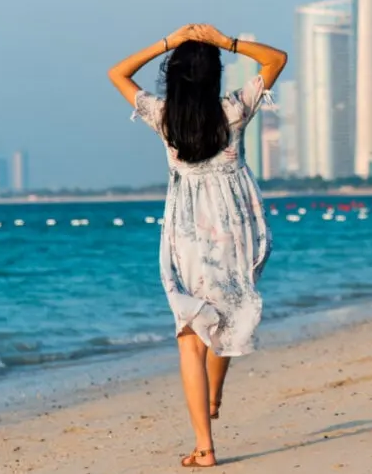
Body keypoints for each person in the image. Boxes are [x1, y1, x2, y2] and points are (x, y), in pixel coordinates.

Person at [108, 24, 287, 468]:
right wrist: (225, 42)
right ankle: (215, 392)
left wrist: (166, 43)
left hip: (187, 234)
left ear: (174, 78)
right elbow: (276, 59)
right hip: (233, 230)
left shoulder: (164, 115)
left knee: (191, 336)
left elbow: (118, 73)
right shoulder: (233, 110)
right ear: (215, 76)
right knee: (228, 312)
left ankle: (205, 448)